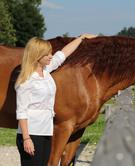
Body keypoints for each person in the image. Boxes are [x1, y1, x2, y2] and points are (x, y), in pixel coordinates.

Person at [15, 33, 97, 165]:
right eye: (47, 54)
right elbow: (22, 112)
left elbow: (63, 54)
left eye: (50, 53)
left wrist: (81, 38)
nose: (51, 56)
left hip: (46, 132)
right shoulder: (26, 81)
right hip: (31, 134)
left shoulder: (46, 70)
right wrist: (26, 138)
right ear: (36, 56)